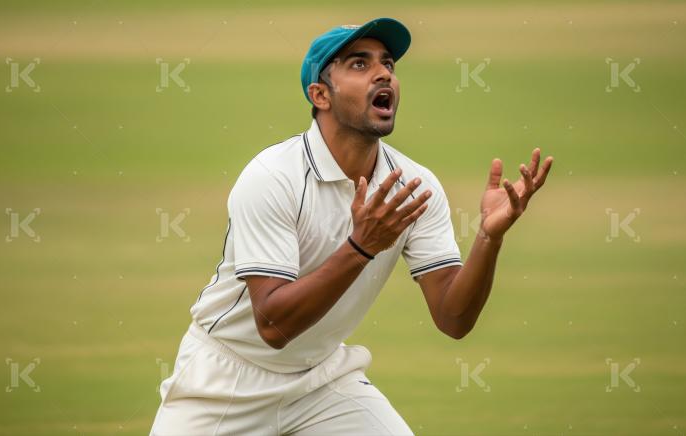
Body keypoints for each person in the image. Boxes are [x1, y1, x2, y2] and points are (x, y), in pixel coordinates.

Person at [151, 17, 553, 435]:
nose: (383, 73)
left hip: (321, 380)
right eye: (359, 64)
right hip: (225, 378)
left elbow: (454, 319)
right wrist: (361, 247)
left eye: (388, 65)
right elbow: (273, 326)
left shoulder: (414, 185)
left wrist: (489, 237)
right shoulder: (272, 176)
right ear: (320, 94)